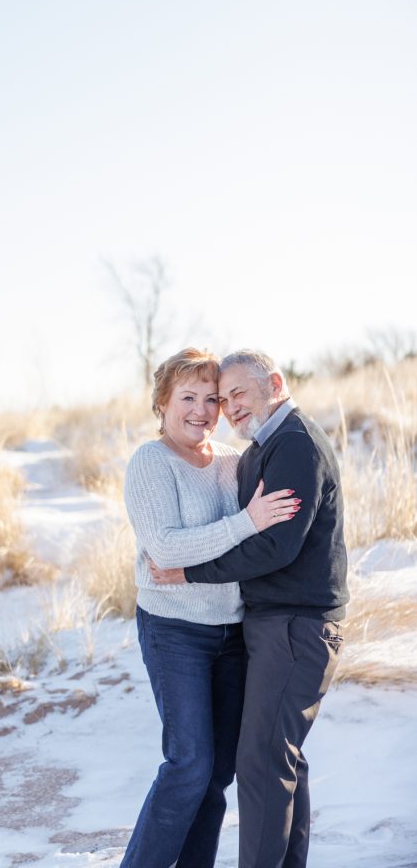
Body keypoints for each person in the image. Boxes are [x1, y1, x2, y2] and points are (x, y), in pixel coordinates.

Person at [150, 349, 349, 868]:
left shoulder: (292, 444)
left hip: (294, 627)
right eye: (224, 397)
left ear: (275, 384)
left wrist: (189, 572)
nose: (230, 407)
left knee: (261, 765)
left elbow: (275, 546)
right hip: (276, 626)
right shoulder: (266, 445)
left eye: (238, 393)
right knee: (282, 762)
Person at [120, 348, 300, 868]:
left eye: (212, 399)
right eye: (188, 398)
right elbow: (167, 549)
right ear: (162, 403)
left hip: (233, 634)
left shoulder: (230, 461)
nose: (201, 410)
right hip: (174, 631)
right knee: (188, 764)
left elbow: (234, 551)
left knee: (218, 772)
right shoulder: (150, 463)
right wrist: (249, 521)